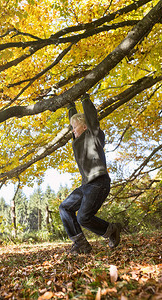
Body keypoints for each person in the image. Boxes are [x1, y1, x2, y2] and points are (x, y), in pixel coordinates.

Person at [59, 93, 121, 254]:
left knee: (83, 218)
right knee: (65, 207)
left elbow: (91, 118)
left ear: (85, 127)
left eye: (75, 127)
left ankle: (111, 230)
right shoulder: (77, 141)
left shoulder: (94, 135)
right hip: (86, 184)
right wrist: (70, 106)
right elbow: (75, 122)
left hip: (99, 182)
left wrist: (84, 97)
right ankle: (81, 244)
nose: (72, 130)